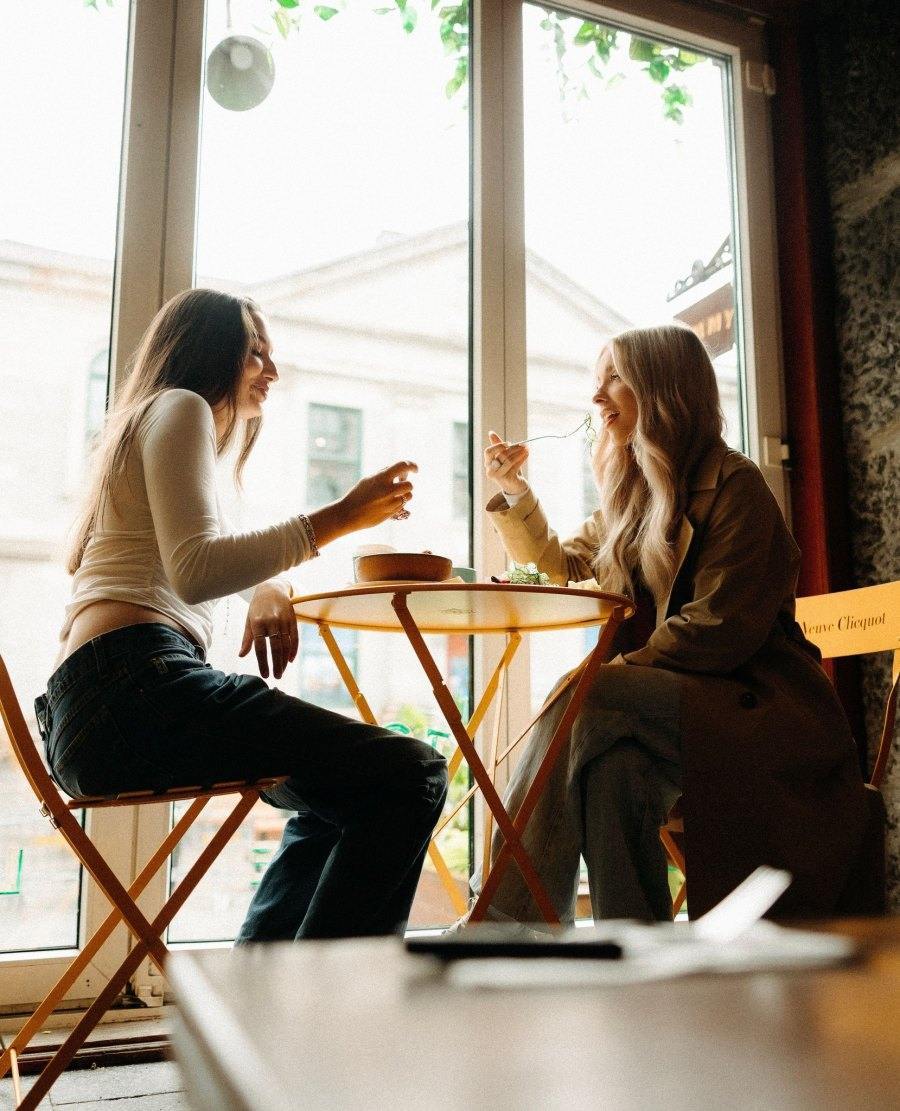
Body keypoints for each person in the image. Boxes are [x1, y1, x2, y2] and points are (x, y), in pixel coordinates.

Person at [35, 288, 448, 941]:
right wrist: (340, 517)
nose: (271, 372)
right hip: (134, 688)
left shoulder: (146, 423)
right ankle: (333, 1002)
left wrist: (267, 585)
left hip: (90, 710)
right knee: (413, 771)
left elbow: (183, 565)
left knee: (334, 794)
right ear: (208, 350)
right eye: (255, 352)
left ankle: (265, 1001)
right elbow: (197, 568)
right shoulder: (181, 406)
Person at [478, 323, 868, 923]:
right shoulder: (634, 491)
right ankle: (636, 943)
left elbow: (718, 630)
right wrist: (514, 489)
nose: (597, 396)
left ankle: (507, 922)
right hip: (685, 710)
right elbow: (563, 565)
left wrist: (619, 671)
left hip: (758, 710)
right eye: (597, 379)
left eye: (615, 378)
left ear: (663, 389)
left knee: (586, 694)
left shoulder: (737, 485)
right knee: (614, 774)